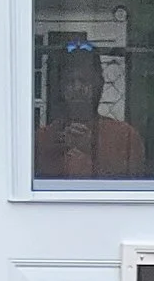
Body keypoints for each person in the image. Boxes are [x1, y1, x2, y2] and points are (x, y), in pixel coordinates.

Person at [35, 38, 144, 178]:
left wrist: (92, 150)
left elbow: (133, 189)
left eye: (85, 80)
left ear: (100, 85)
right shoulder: (43, 138)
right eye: (69, 81)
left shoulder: (126, 137)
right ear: (60, 87)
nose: (77, 88)